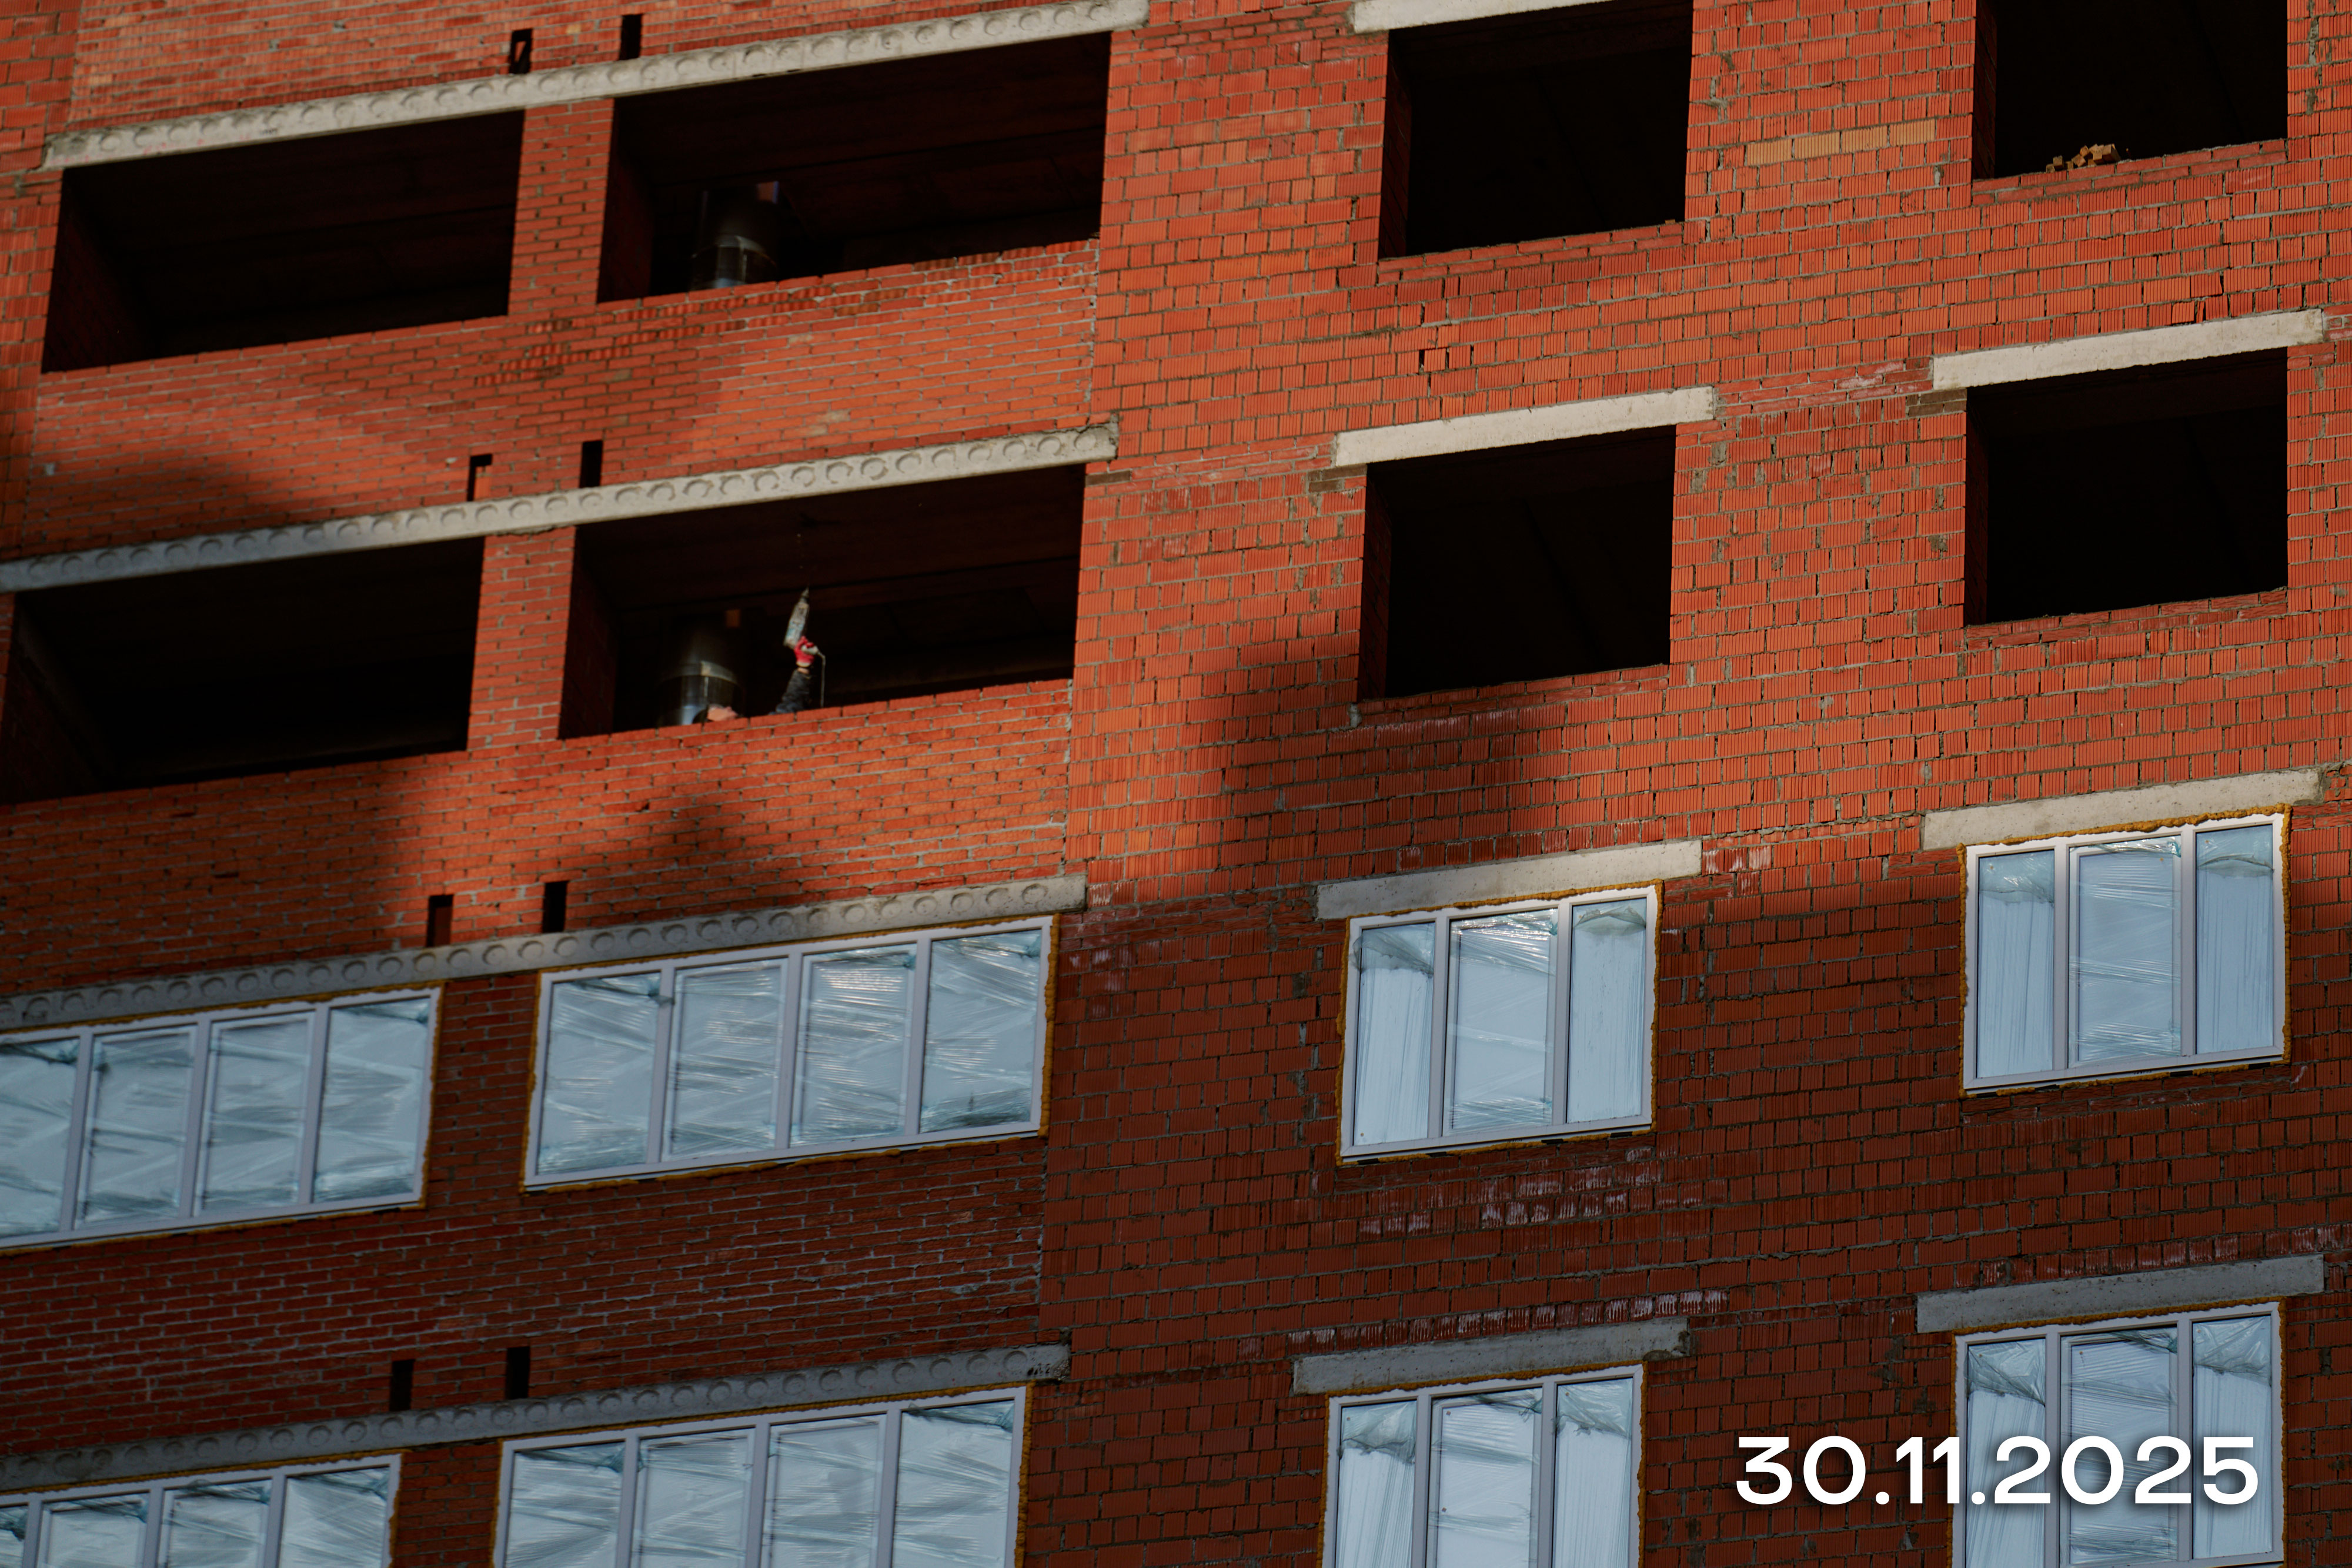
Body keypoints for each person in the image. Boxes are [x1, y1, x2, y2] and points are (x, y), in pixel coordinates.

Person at [699, 636, 819, 723]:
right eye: (717, 708)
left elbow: (786, 714)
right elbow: (786, 716)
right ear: (708, 722)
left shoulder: (755, 732)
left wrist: (803, 667)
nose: (729, 708)